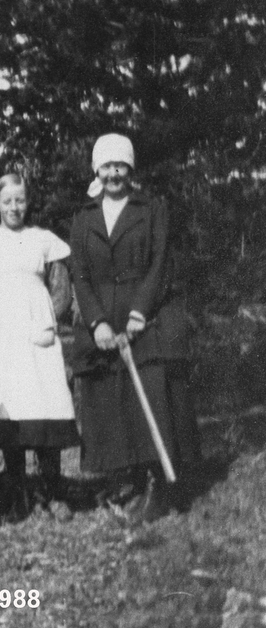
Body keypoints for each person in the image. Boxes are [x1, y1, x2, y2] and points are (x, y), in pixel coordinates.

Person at [69, 133, 198, 523]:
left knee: (152, 399)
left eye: (120, 165)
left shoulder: (152, 208)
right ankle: (126, 480)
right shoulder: (83, 217)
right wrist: (97, 323)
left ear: (131, 169)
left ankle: (157, 484)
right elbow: (80, 274)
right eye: (106, 166)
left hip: (147, 315)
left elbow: (160, 263)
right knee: (111, 401)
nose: (113, 173)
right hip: (103, 322)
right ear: (97, 170)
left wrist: (140, 313)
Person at [0, 175, 79, 519]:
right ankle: (16, 491)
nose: (14, 207)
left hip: (39, 332)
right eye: (7, 201)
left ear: (27, 202)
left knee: (47, 404)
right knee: (13, 409)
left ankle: (54, 490)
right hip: (5, 334)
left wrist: (49, 322)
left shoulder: (43, 239)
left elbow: (61, 288)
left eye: (20, 200)